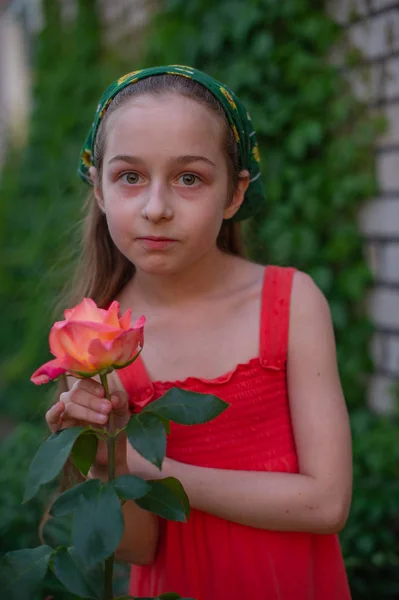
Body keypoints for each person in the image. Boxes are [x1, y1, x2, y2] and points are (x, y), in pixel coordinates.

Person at [45, 65, 352, 599]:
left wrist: (148, 467)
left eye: (189, 178)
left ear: (233, 194)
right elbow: (138, 548)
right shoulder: (99, 342)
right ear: (98, 188)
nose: (156, 208)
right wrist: (102, 454)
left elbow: (326, 504)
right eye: (130, 177)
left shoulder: (290, 302)